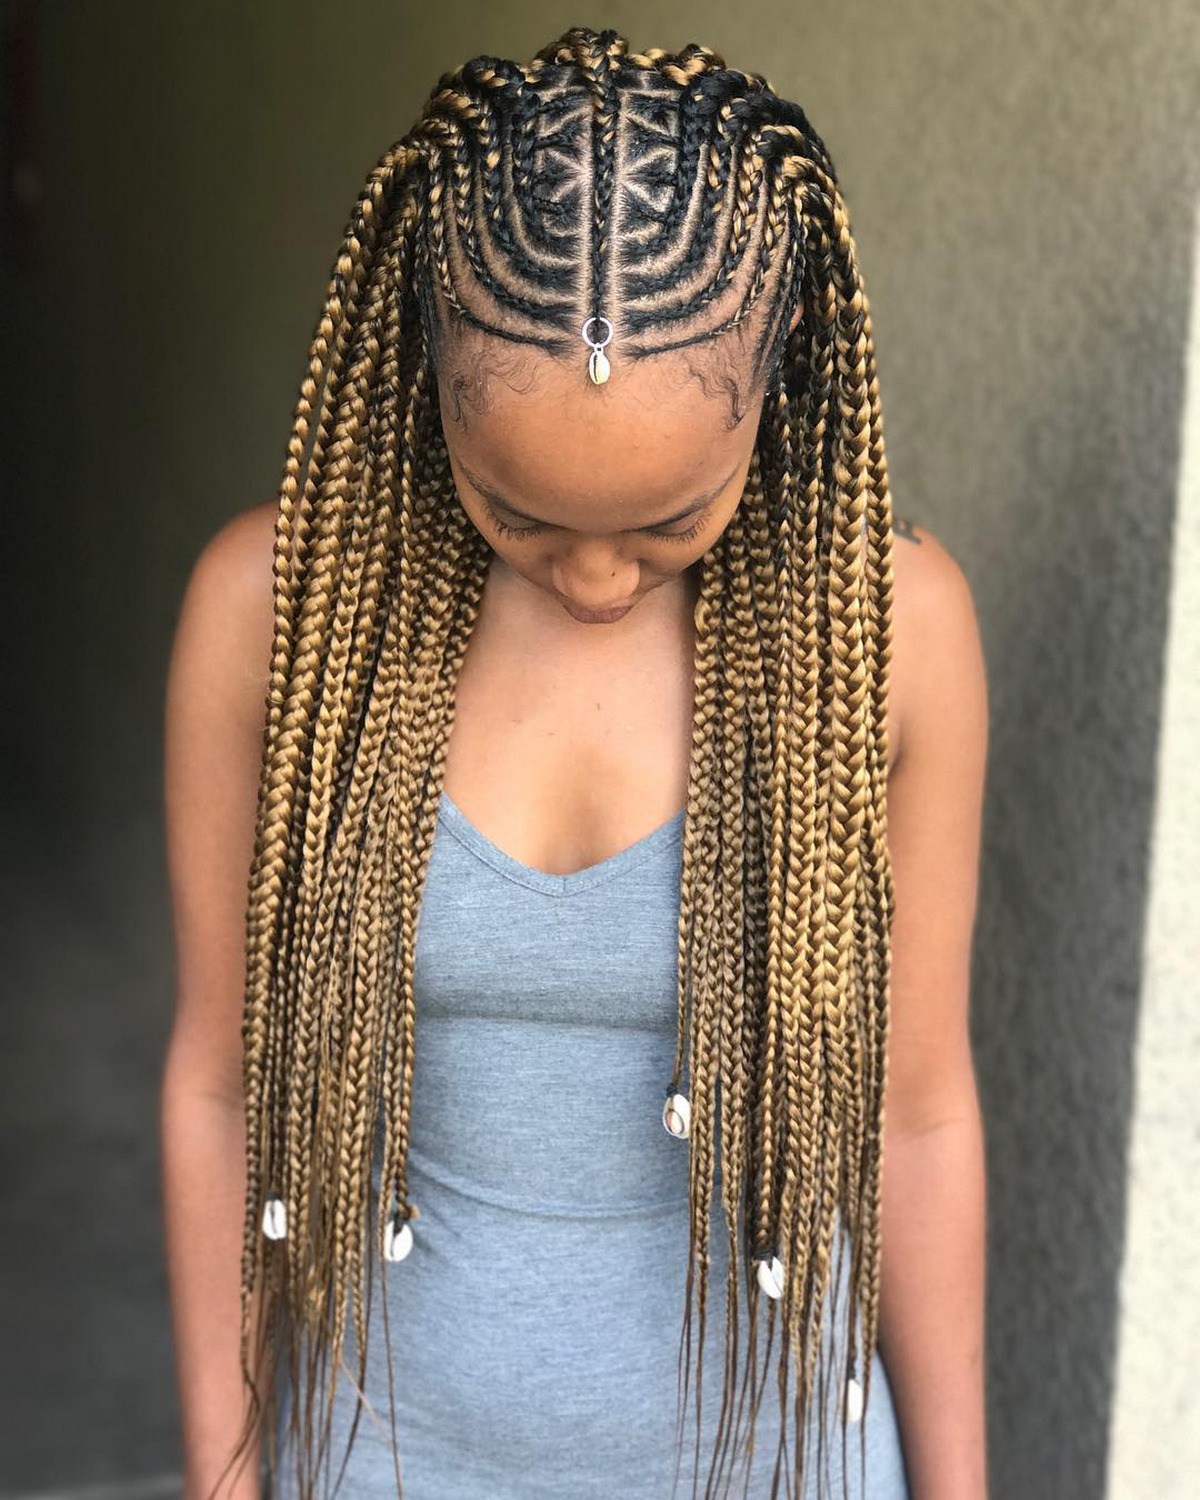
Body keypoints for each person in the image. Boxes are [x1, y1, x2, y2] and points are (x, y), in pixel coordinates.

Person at [160, 25, 989, 1500]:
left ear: (784, 371)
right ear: (426, 371)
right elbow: (220, 1087)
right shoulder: (281, 617)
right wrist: (224, 1478)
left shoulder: (884, 632)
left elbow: (916, 1118)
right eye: (519, 511)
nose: (598, 579)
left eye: (672, 521)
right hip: (374, 1469)